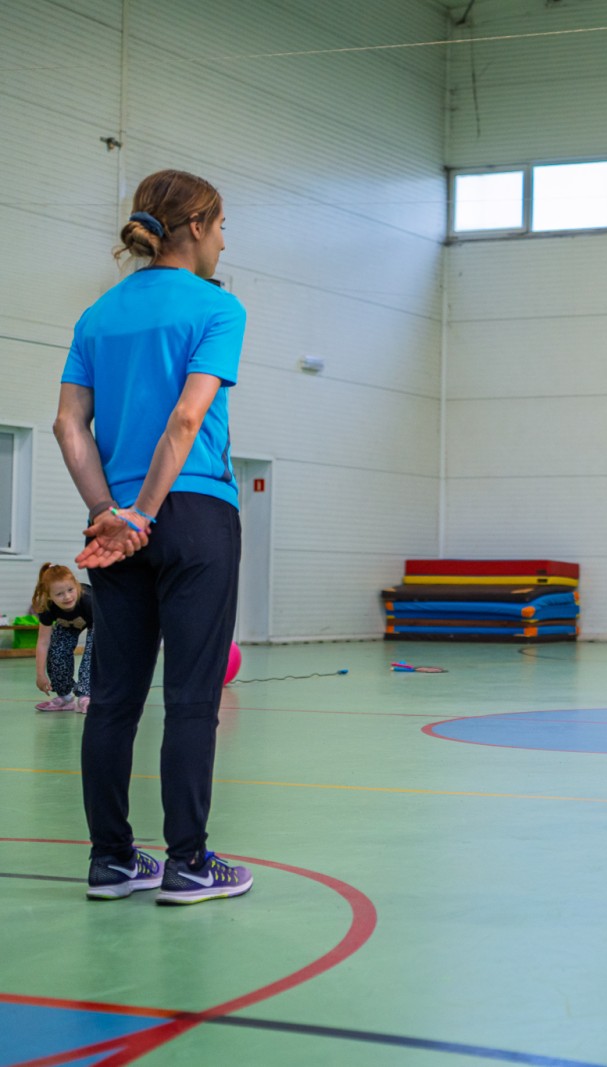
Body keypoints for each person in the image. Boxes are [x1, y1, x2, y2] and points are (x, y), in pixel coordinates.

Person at [54, 169, 253, 904]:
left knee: (113, 699)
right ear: (196, 226)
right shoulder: (217, 306)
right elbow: (186, 418)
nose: (225, 240)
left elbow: (68, 425)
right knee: (192, 697)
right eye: (222, 225)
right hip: (194, 515)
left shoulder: (97, 314)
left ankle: (112, 860)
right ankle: (189, 863)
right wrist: (144, 511)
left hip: (116, 529)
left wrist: (111, 512)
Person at [32, 563, 94, 713]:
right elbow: (43, 642)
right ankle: (65, 698)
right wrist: (40, 675)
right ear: (49, 596)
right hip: (68, 624)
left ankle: (86, 696)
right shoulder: (47, 607)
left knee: (93, 651)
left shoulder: (89, 600)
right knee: (57, 652)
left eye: (70, 590)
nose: (67, 597)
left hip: (96, 621)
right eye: (59, 594)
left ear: (76, 586)